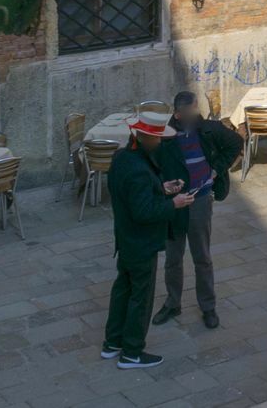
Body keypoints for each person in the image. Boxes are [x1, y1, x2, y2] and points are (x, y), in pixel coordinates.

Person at [101, 110, 194, 370]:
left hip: (126, 239)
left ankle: (112, 343)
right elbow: (144, 212)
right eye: (158, 139)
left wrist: (161, 189)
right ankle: (132, 352)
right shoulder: (140, 169)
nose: (161, 143)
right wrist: (173, 203)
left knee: (122, 290)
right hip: (140, 242)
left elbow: (130, 195)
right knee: (140, 297)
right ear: (146, 139)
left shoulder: (122, 158)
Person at [153, 91, 243, 331]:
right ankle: (173, 303)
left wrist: (217, 169)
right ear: (178, 114)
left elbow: (235, 142)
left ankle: (208, 306)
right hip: (175, 204)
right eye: (190, 112)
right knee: (173, 257)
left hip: (200, 200)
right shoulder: (165, 136)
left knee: (202, 256)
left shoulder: (208, 129)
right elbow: (154, 165)